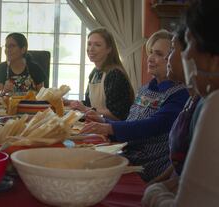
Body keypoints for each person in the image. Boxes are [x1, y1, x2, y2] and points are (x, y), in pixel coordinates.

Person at [80, 30, 189, 182]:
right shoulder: (144, 89)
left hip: (148, 168)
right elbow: (130, 123)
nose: (150, 58)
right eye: (150, 52)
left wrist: (109, 127)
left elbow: (154, 125)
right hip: (129, 156)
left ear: (174, 59)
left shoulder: (180, 94)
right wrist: (103, 121)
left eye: (158, 54)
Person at [142, 1, 219, 206]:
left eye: (188, 43)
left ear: (213, 56)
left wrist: (153, 191)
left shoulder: (213, 105)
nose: (186, 54)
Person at [148, 24, 201, 185]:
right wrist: (154, 184)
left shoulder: (203, 102)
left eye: (171, 51)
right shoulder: (191, 99)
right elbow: (178, 162)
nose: (167, 58)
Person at [68, 28, 135, 120]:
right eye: (89, 44)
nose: (91, 49)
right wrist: (67, 102)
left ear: (109, 49)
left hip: (112, 131)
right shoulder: (95, 72)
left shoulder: (115, 74)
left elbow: (117, 115)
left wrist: (86, 109)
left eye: (97, 45)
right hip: (96, 126)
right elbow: (89, 104)